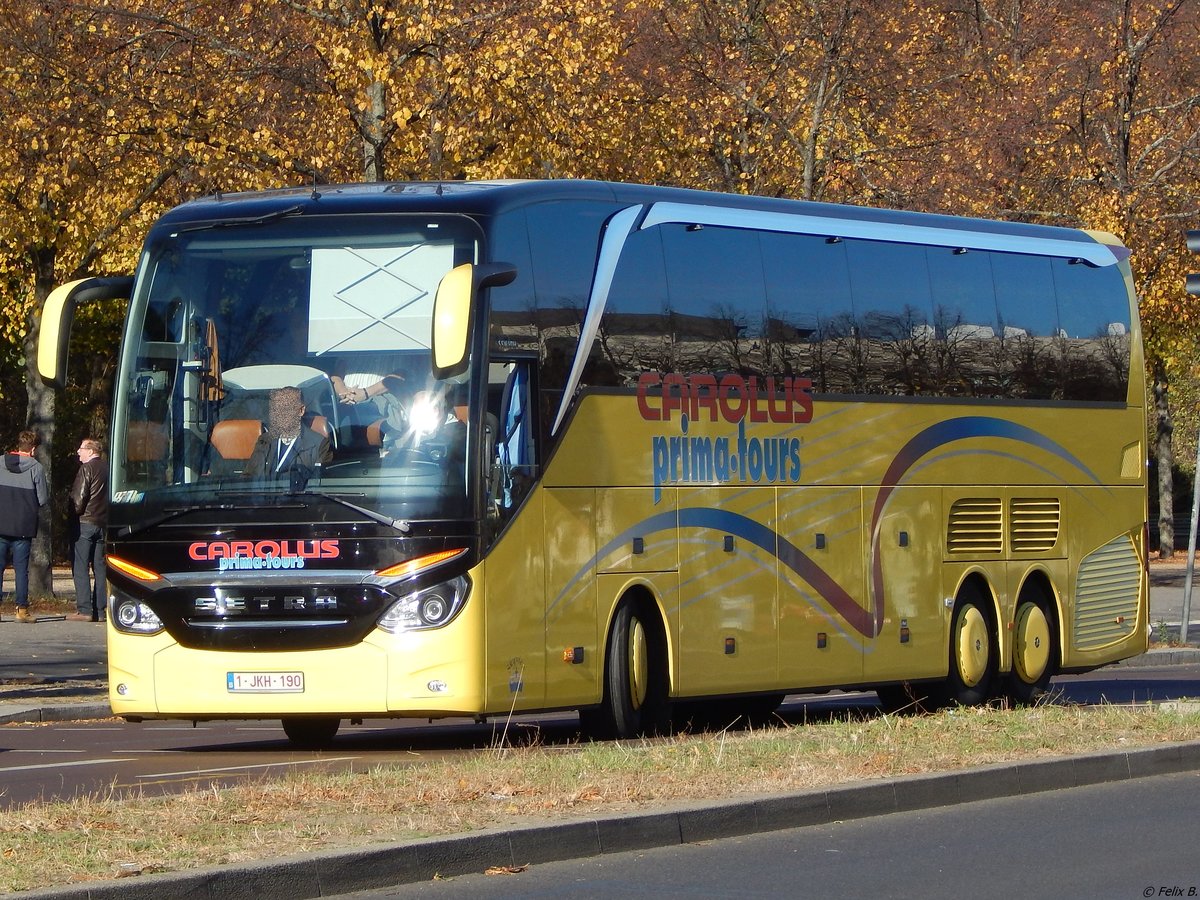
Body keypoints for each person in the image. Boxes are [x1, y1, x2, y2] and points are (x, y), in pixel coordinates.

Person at [0, 430, 49, 624]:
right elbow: (42, 499)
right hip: (23, 525)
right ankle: (21, 609)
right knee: (21, 569)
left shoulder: (0, 462)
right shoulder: (36, 468)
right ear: (34, 449)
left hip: (1, 522)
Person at [245, 386, 332, 482]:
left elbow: (319, 485)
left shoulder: (320, 444)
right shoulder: (265, 440)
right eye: (276, 409)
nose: (279, 414)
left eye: (286, 408)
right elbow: (247, 479)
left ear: (301, 410)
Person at [68, 437, 108, 622]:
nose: (78, 451)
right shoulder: (109, 468)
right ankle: (100, 610)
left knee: (80, 565)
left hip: (85, 522)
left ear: (91, 451)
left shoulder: (87, 469)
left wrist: (72, 512)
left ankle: (84, 609)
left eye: (81, 448)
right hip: (103, 523)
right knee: (99, 567)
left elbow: (79, 498)